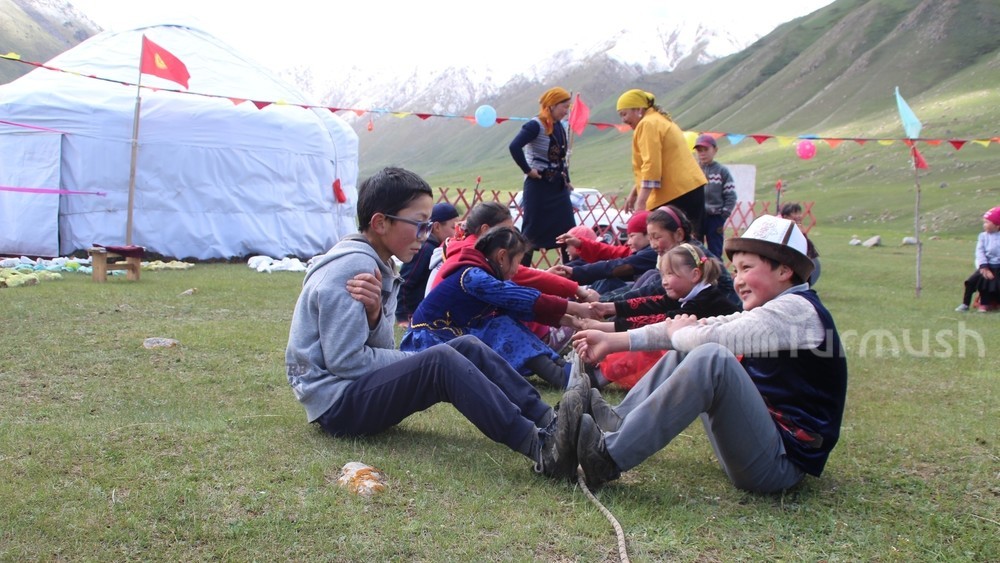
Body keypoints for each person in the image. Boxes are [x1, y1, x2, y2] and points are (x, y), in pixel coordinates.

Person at [284, 166, 582, 481]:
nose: (425, 235)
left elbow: (381, 348)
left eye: (428, 226)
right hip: (336, 404)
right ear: (381, 223)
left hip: (351, 390)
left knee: (467, 345)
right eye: (419, 224)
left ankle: (549, 420)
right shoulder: (354, 268)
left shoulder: (379, 263)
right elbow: (345, 362)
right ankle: (542, 447)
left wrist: (374, 317)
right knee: (441, 360)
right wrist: (413, 358)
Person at [568, 214, 848, 493]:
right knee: (691, 348)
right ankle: (620, 421)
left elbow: (708, 337)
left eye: (746, 268)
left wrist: (680, 334)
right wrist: (612, 340)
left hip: (781, 464)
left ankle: (606, 458)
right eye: (736, 271)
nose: (738, 280)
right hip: (759, 443)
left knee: (711, 357)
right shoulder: (775, 307)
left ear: (784, 270)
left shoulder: (797, 311)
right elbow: (702, 327)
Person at [403, 226, 594, 389]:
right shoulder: (473, 277)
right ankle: (562, 376)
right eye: (517, 262)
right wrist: (575, 308)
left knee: (503, 321)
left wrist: (569, 320)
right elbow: (519, 297)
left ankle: (560, 365)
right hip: (428, 342)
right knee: (501, 327)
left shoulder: (483, 273)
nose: (517, 269)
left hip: (452, 336)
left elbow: (519, 306)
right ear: (502, 257)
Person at [616, 88, 707, 239]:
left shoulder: (647, 124)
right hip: (687, 188)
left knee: (676, 241)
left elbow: (651, 164)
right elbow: (656, 161)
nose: (623, 120)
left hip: (676, 192)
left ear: (639, 109)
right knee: (690, 239)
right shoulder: (657, 120)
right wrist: (634, 192)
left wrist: (641, 203)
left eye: (624, 114)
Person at [509, 87, 576, 266]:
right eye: (564, 107)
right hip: (538, 186)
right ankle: (521, 272)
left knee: (568, 230)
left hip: (558, 187)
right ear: (552, 105)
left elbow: (560, 158)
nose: (566, 111)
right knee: (531, 231)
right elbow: (514, 146)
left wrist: (567, 180)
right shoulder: (535, 125)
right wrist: (527, 170)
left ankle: (570, 271)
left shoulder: (559, 126)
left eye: (568, 107)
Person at [548, 211, 657, 297]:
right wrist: (581, 244)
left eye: (632, 236)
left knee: (607, 283)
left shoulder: (652, 253)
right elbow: (611, 252)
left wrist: (575, 272)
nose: (628, 242)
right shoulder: (640, 251)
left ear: (649, 235)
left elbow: (619, 265)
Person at [396, 202, 460, 326]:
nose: (456, 233)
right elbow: (405, 281)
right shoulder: (425, 250)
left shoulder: (439, 248)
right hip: (415, 312)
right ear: (437, 227)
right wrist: (403, 316)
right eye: (453, 227)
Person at [694, 134, 737, 259]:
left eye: (706, 149)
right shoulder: (693, 170)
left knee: (715, 251)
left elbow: (731, 195)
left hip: (715, 217)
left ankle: (717, 271)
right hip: (696, 217)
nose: (702, 153)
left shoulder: (722, 171)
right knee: (695, 250)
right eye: (699, 150)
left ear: (715, 150)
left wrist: (723, 214)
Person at [956, 205, 1000, 312]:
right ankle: (965, 304)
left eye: (987, 222)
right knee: (971, 282)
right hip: (984, 266)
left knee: (989, 285)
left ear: (997, 225)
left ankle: (985, 304)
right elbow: (980, 252)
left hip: (997, 267)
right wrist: (983, 266)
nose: (984, 225)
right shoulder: (983, 236)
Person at [779, 202, 820, 287]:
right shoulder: (783, 231)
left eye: (799, 213)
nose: (799, 216)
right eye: (795, 213)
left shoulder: (799, 228)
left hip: (809, 262)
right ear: (786, 217)